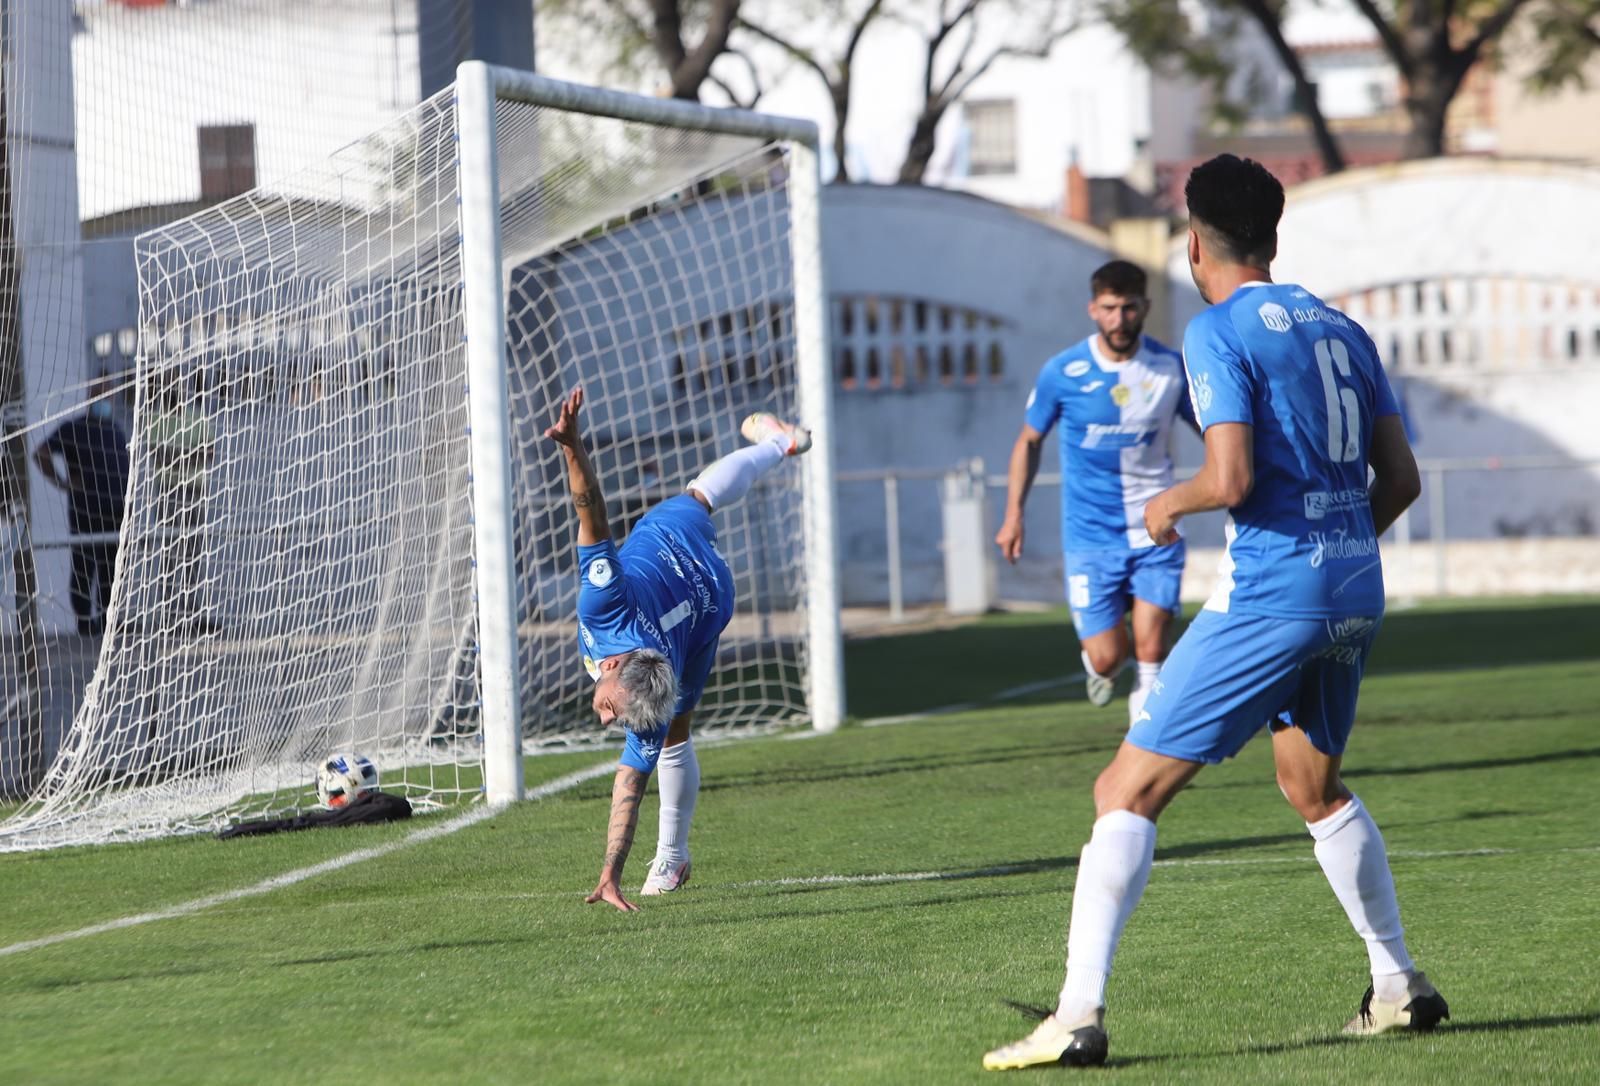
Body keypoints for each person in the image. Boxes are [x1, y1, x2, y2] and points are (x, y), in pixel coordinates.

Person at [982, 154, 1442, 1071]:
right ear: (1272, 235)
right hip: (1355, 586)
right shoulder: (1345, 329)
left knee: (1123, 790)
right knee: (1313, 787)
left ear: (1195, 244)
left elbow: (1227, 478)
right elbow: (1401, 480)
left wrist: (1166, 507)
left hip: (1275, 596)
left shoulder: (1215, 331)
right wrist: (1338, 550)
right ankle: (1398, 987)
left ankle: (1075, 1015)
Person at [545, 387, 811, 912]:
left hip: (702, 595)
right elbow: (590, 511)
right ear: (617, 666)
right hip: (689, 574)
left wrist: (609, 873)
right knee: (698, 497)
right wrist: (573, 446)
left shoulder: (637, 675)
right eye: (614, 711)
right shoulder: (607, 603)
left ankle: (672, 856)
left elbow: (629, 784)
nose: (605, 720)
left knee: (675, 732)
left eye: (614, 714)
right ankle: (779, 444)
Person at [995, 260, 1196, 726]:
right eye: (1109, 308)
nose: (1119, 320)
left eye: (1129, 308)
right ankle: (1103, 665)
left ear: (1145, 306)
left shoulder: (1169, 369)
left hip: (1156, 528)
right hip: (1091, 536)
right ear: (1092, 309)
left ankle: (1147, 746)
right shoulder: (1063, 372)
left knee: (1151, 650)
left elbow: (1215, 431)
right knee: (1109, 657)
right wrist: (1013, 515)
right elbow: (1028, 441)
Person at [33, 383, 130, 635]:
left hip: (116, 513)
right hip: (86, 513)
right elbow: (40, 453)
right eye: (101, 394)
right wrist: (62, 482)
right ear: (90, 396)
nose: (106, 399)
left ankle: (109, 621)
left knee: (112, 568)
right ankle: (86, 625)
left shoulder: (116, 430)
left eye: (110, 395)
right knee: (84, 568)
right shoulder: (74, 428)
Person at [144, 373, 215, 630]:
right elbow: (159, 455)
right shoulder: (155, 420)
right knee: (171, 552)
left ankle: (191, 610)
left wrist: (180, 455)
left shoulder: (197, 418)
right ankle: (170, 612)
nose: (174, 391)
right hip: (169, 492)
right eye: (169, 387)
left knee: (193, 551)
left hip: (195, 492)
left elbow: (208, 453)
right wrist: (189, 454)